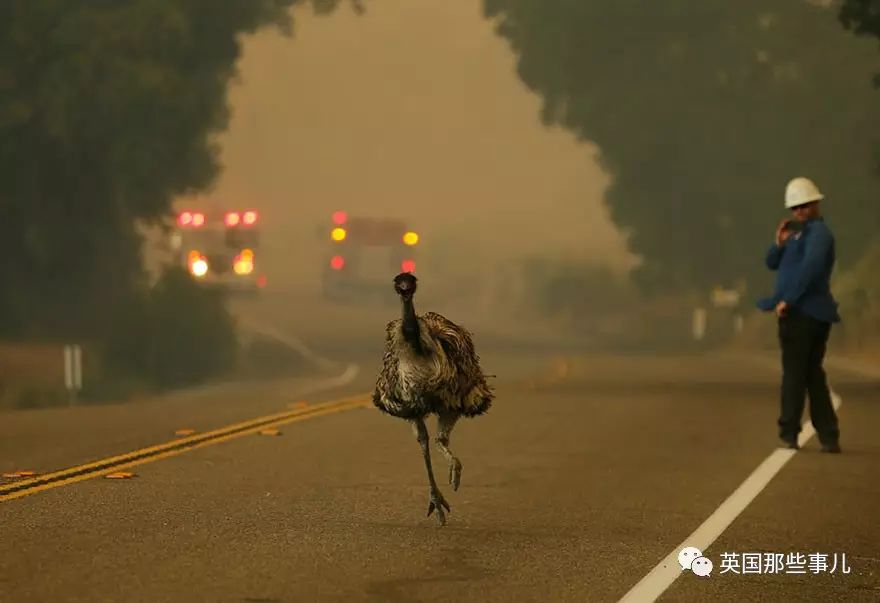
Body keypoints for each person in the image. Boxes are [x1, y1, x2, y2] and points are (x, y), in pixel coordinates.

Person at [757, 177, 841, 453]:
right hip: (798, 314)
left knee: (795, 375)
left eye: (804, 206)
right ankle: (828, 435)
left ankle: (789, 432)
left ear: (816, 203)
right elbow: (771, 262)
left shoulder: (819, 235)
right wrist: (779, 242)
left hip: (806, 314)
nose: (799, 212)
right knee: (812, 375)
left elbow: (812, 269)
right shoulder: (797, 235)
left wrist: (788, 301)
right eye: (795, 208)